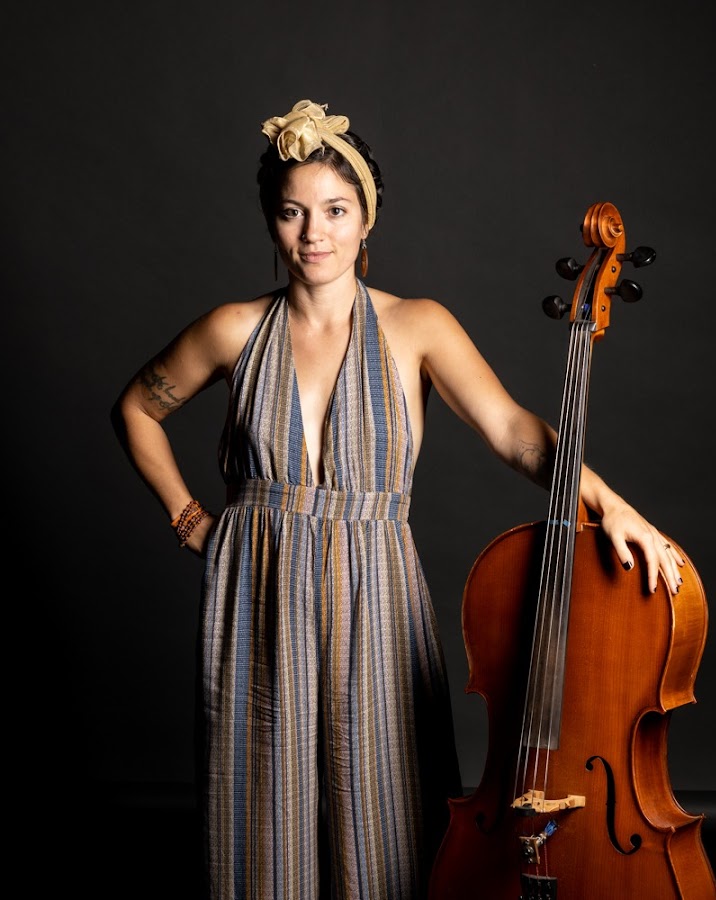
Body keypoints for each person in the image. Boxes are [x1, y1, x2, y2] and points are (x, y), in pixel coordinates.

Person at [110, 98, 685, 900]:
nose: (316, 234)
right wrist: (191, 520)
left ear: (366, 219)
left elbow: (517, 433)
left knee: (381, 819)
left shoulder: (418, 326)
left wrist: (611, 504)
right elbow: (136, 408)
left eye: (336, 211)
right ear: (271, 223)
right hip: (259, 598)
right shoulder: (233, 330)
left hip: (374, 597)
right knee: (258, 822)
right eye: (293, 213)